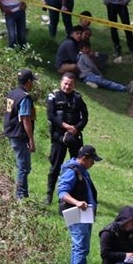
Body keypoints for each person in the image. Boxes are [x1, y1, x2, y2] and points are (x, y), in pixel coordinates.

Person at [57, 144, 102, 264]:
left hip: (84, 213)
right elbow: (62, 193)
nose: (93, 163)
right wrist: (77, 203)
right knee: (80, 246)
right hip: (76, 212)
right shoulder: (72, 171)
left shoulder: (82, 170)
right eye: (92, 160)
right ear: (84, 158)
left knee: (82, 246)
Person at [45, 72, 89, 205]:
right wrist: (65, 126)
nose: (67, 86)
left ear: (74, 85)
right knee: (55, 167)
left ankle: (73, 196)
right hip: (59, 136)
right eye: (65, 83)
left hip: (74, 136)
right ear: (61, 82)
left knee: (77, 167)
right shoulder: (53, 95)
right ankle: (49, 195)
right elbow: (50, 115)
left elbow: (85, 117)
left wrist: (76, 128)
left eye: (70, 84)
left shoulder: (78, 98)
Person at [3, 68, 36, 199]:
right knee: (24, 167)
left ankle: (24, 194)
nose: (32, 84)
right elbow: (26, 119)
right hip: (19, 135)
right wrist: (31, 139)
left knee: (23, 166)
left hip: (11, 132)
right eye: (32, 81)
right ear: (28, 82)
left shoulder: (12, 93)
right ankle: (20, 196)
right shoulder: (25, 97)